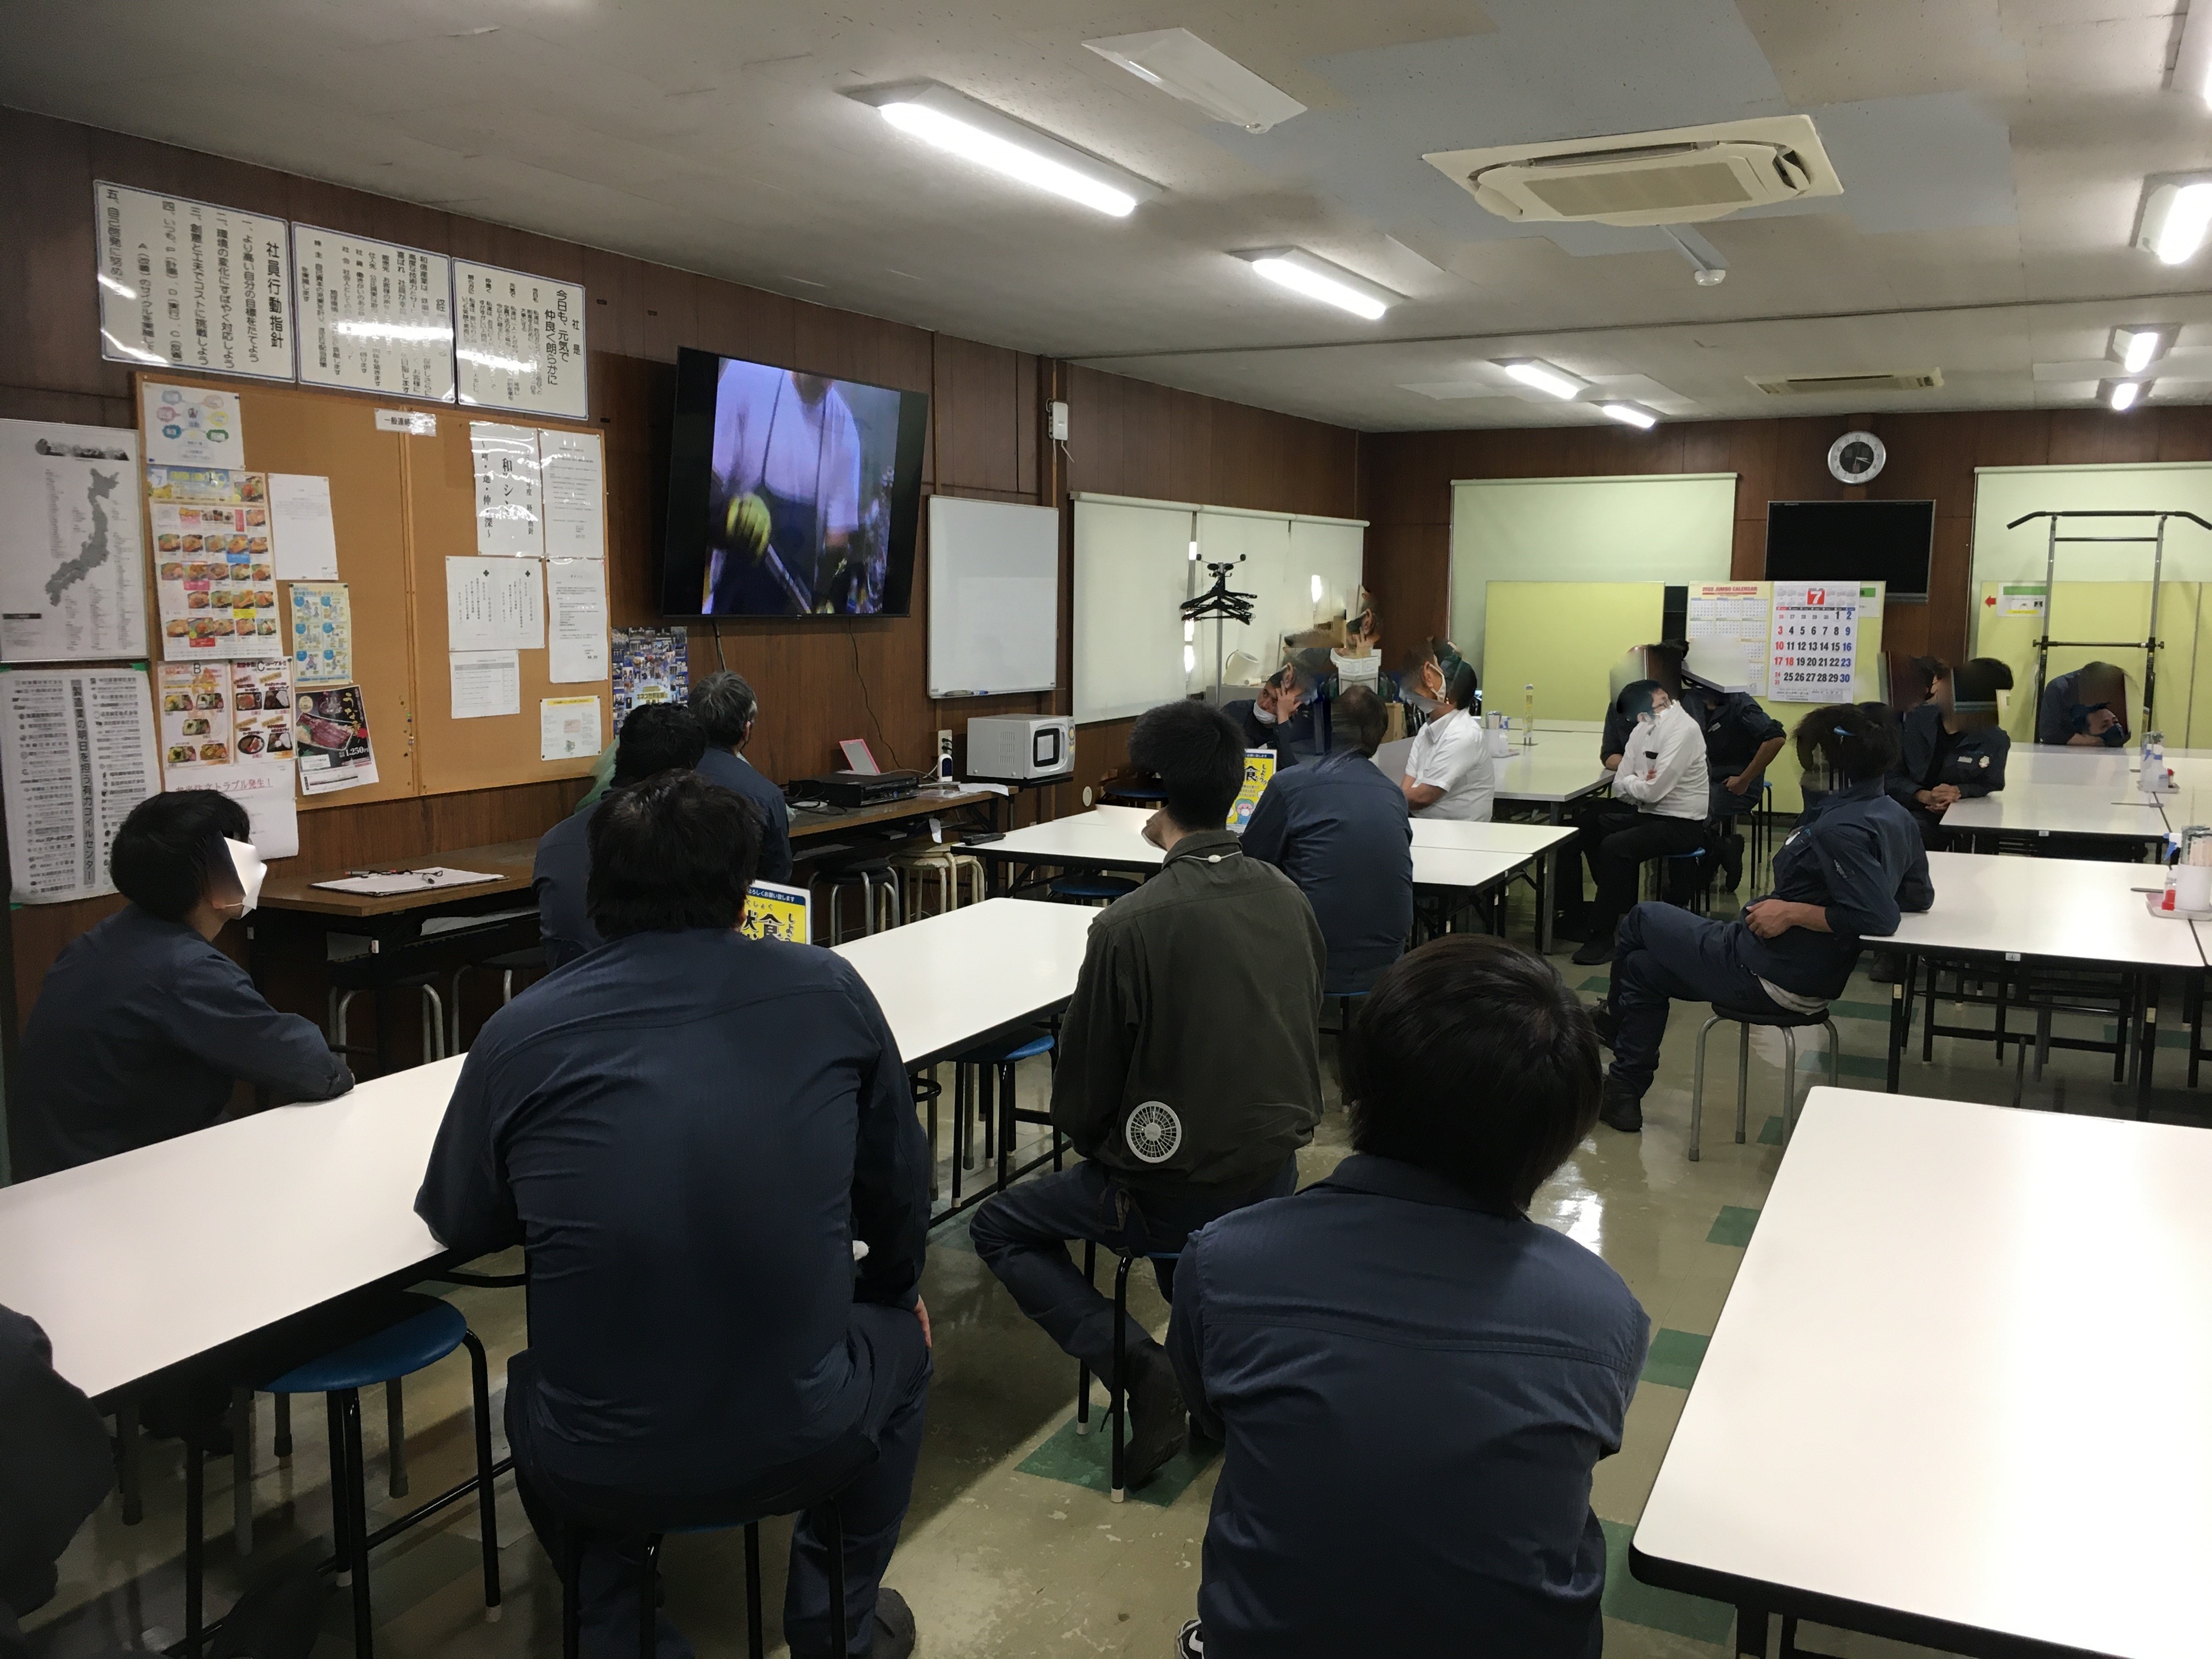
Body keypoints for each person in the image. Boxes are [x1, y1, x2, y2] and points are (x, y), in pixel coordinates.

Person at [417, 772, 930, 1659]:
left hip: (602, 1456)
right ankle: (834, 1623)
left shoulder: (520, 1030)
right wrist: (885, 1296)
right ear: (745, 890)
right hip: (808, 1429)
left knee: (534, 1388)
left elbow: (462, 1221)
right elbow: (896, 1188)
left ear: (595, 886)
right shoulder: (827, 987)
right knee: (907, 1345)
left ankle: (623, 1631)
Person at [1166, 936, 1648, 1659]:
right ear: (1561, 1141)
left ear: (1355, 1090)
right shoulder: (1603, 1314)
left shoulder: (1225, 1261)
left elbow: (1214, 1416)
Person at [969, 700, 1325, 1492]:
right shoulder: (1288, 897)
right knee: (1192, 1239)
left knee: (997, 1224)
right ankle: (1215, 1374)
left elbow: (1080, 1102)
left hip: (1168, 1190)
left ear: (1154, 793)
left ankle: (1140, 1367)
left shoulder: (1129, 925)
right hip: (1275, 1176)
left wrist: (1109, 1152)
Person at [1590, 706, 1934, 1133]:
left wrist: (1795, 911)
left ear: (1825, 762)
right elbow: (1919, 895)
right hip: (1808, 976)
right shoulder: (1894, 814)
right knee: (1643, 970)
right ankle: (1623, 1094)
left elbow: (1879, 917)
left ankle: (1612, 1019)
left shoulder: (1837, 829)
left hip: (1769, 973)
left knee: (1642, 918)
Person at [13, 793, 351, 1180]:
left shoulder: (101, 941)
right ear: (211, 880)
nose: (258, 864)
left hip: (58, 1169)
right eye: (243, 853)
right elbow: (313, 1069)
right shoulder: (187, 973)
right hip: (113, 1183)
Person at [1241, 686, 1413, 996]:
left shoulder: (1290, 786)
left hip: (1313, 959)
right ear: (1380, 737)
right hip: (1389, 962)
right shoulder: (1394, 794)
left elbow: (1250, 862)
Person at [533, 702, 708, 968]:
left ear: (617, 752)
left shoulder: (555, 841)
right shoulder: (690, 840)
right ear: (690, 773)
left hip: (568, 990)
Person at [1596, 643, 1783, 890]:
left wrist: (1746, 779)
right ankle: (1703, 860)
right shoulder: (1684, 702)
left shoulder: (1738, 702)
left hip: (1731, 782)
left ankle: (1700, 868)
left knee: (1697, 809)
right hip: (1697, 779)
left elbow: (1776, 738)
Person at [704, 362, 866, 616]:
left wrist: (828, 597)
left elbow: (837, 541)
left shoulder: (844, 429)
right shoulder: (746, 378)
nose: (825, 384)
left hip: (796, 612)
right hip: (728, 610)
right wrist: (730, 513)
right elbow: (700, 487)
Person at [1568, 680, 1712, 966]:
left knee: (1615, 846)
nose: (1640, 720)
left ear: (1661, 698)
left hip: (1682, 822)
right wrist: (1639, 782)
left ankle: (1602, 934)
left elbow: (1652, 790)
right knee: (1582, 824)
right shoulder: (1643, 728)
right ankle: (1596, 909)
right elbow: (1621, 783)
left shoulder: (1684, 730)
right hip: (1647, 812)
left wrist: (1637, 783)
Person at [1889, 657, 2013, 845]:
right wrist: (1922, 795)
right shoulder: (1910, 721)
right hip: (1899, 809)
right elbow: (1887, 776)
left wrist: (1958, 792)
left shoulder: (1994, 740)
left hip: (1952, 818)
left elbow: (1990, 783)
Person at [690, 669, 794, 882]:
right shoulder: (766, 795)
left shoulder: (662, 778)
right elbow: (779, 873)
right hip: (740, 908)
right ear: (746, 730)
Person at [1400, 662, 1495, 821]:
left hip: (1462, 834)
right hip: (1427, 826)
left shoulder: (1464, 735)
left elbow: (1423, 797)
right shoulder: (1428, 728)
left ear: (1449, 698)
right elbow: (1407, 787)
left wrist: (1385, 798)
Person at [1225, 663, 1330, 768]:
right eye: (1265, 694)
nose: (1264, 704)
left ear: (1294, 707)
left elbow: (1293, 768)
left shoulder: (1300, 730)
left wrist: (1283, 717)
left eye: (1275, 701)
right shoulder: (1234, 712)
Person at [2038, 661, 2130, 747]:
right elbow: (2049, 733)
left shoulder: (2112, 691)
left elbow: (2122, 730)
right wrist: (2089, 741)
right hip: (2063, 750)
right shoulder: (2058, 689)